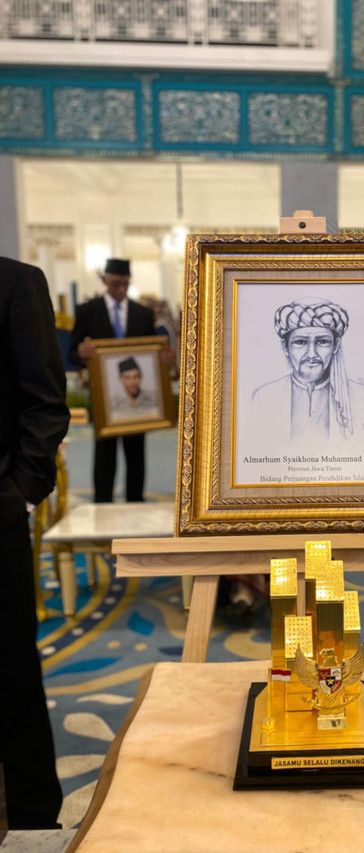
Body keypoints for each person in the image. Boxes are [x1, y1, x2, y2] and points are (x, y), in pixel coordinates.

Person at [0, 257, 70, 828]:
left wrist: (20, 494)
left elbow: (45, 403)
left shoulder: (15, 283)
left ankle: (32, 820)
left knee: (10, 672)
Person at [69, 258, 154, 502]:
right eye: (116, 283)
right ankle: (102, 506)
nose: (121, 290)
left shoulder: (142, 314)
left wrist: (164, 359)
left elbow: (151, 354)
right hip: (103, 398)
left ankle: (136, 506)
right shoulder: (88, 311)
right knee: (105, 456)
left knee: (136, 454)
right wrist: (81, 354)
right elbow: (72, 353)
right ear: (105, 280)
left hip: (137, 400)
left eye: (125, 284)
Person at [251, 298, 364, 445]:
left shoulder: (361, 398)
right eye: (301, 342)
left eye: (322, 342)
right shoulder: (264, 397)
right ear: (285, 347)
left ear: (335, 346)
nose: (311, 354)